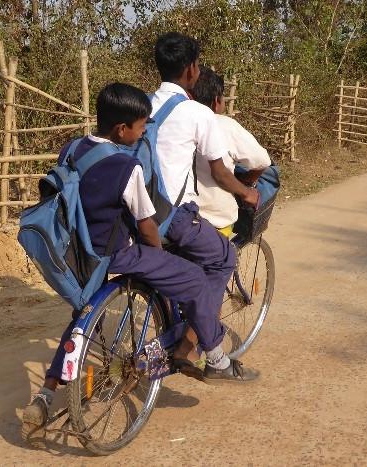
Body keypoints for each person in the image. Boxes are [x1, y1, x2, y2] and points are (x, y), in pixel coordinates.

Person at [21, 82, 255, 443]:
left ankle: (47, 393)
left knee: (83, 315)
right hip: (120, 251)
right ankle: (218, 359)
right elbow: (147, 224)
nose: (144, 131)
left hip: (83, 252)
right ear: (122, 129)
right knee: (192, 279)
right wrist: (159, 257)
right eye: (142, 126)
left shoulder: (74, 148)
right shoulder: (126, 167)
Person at [151, 32, 259, 380]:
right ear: (192, 70)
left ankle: (179, 329)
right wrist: (246, 192)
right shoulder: (198, 113)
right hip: (175, 217)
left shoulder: (143, 105)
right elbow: (219, 171)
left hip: (140, 214)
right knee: (223, 258)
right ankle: (211, 355)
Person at [190, 65, 271, 235]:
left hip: (173, 218)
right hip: (214, 220)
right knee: (223, 259)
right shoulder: (225, 125)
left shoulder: (172, 121)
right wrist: (247, 182)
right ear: (217, 101)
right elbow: (263, 161)